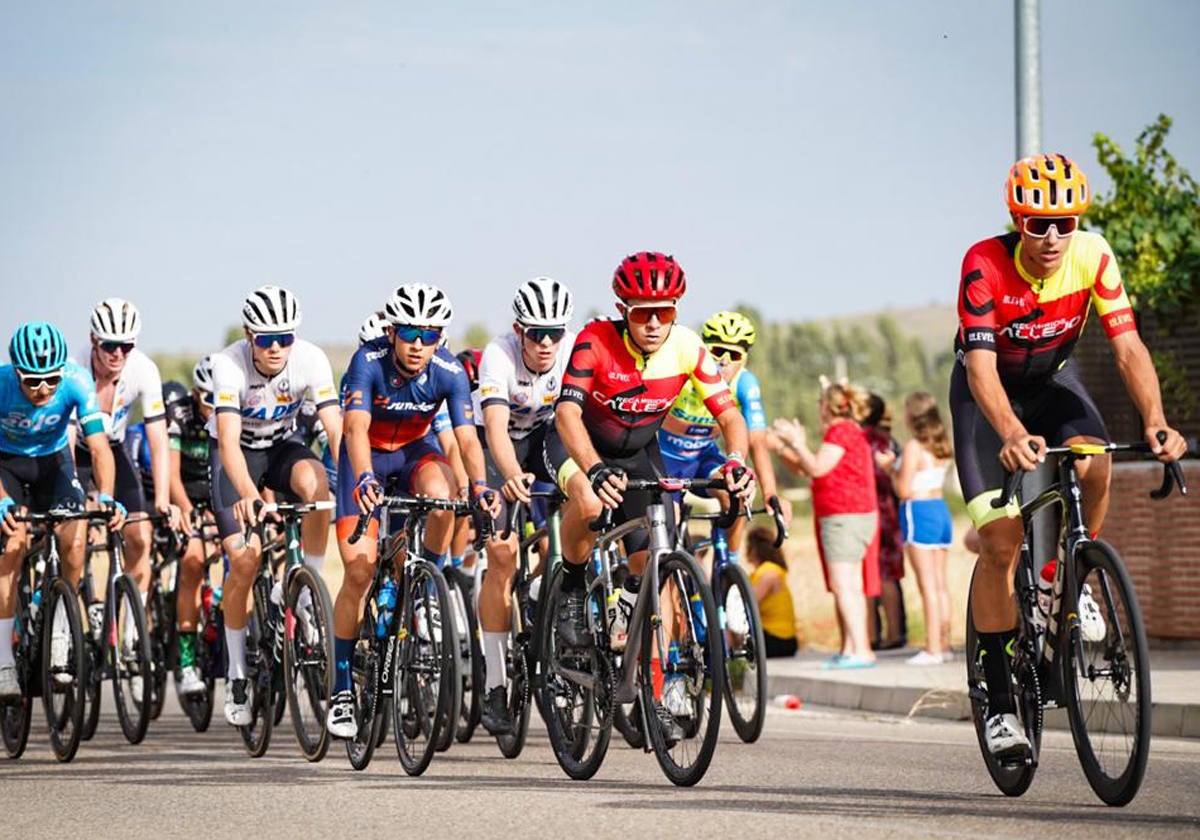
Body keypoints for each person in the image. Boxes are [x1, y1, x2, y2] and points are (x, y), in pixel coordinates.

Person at [952, 153, 1186, 759]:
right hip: (987, 398)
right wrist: (1007, 428)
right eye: (1037, 224)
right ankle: (1002, 704)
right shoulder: (984, 263)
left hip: (1054, 381)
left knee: (1096, 457)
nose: (1053, 237)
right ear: (1016, 220)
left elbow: (1128, 348)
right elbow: (980, 368)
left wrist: (1156, 422)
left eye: (1066, 222)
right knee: (1002, 542)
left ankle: (1074, 567)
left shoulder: (1094, 255)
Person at [546, 251, 755, 733]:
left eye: (665, 311)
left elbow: (729, 416)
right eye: (643, 312)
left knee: (655, 559)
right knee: (590, 499)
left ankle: (643, 682)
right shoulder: (594, 340)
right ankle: (575, 588)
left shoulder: (687, 347)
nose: (655, 322)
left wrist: (736, 462)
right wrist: (593, 468)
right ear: (624, 309)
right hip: (578, 445)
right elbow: (566, 415)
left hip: (638, 451)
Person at [326, 283, 500, 740]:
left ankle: (429, 585)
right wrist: (364, 477)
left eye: (429, 334)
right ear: (391, 331)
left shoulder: (448, 371)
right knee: (360, 574)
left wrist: (480, 485)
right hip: (364, 461)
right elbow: (356, 428)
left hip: (411, 454)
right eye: (409, 333)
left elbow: (466, 439)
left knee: (443, 494)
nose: (419, 344)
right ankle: (342, 688)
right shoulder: (367, 362)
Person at [208, 285, 343, 727]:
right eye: (266, 339)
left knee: (319, 486)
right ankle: (237, 674)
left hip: (282, 447)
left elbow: (335, 430)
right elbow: (227, 442)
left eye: (285, 338)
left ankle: (307, 589)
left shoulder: (310, 358)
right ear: (249, 336)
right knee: (244, 561)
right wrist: (248, 493)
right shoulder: (227, 365)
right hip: (236, 456)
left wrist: (358, 481)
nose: (277, 348)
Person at [0, 323, 125, 696]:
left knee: (75, 537)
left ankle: (60, 627)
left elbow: (99, 447)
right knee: (14, 544)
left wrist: (105, 495)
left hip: (53, 463)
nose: (43, 390)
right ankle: (4, 660)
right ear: (17, 373)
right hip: (6, 464)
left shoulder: (77, 381)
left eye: (51, 380)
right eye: (33, 381)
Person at [475, 277, 576, 735]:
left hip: (545, 439)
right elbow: (495, 426)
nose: (547, 343)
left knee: (581, 502)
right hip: (501, 446)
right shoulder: (498, 355)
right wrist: (510, 474)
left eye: (555, 332)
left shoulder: (570, 350)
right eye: (537, 333)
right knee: (501, 556)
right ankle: (495, 684)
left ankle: (546, 592)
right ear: (519, 330)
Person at [658, 310, 792, 553]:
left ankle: (728, 566)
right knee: (670, 521)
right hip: (666, 457)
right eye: (717, 351)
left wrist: (771, 493)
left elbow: (757, 443)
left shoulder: (745, 382)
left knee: (737, 494)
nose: (725, 361)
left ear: (744, 359)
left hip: (704, 456)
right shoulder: (685, 372)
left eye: (735, 354)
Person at [76, 299, 181, 605]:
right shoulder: (75, 368)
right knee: (75, 535)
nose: (118, 354)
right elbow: (66, 441)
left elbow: (158, 438)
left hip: (115, 448)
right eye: (110, 346)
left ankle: (130, 633)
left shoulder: (144, 370)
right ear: (93, 340)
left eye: (126, 345)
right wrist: (83, 498)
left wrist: (162, 498)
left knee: (139, 537)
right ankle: (68, 613)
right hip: (76, 452)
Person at [772, 380, 878, 669]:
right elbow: (812, 467)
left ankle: (860, 651)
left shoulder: (840, 431)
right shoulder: (850, 430)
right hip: (855, 515)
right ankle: (852, 647)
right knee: (851, 586)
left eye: (820, 403)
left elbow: (817, 468)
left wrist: (795, 442)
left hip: (844, 516)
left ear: (826, 407)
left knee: (845, 587)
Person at [893, 392, 954, 665]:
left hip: (918, 512)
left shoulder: (914, 448)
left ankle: (931, 648)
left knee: (927, 585)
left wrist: (888, 469)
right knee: (941, 585)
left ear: (911, 416)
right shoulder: (940, 445)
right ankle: (944, 643)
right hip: (940, 510)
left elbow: (903, 489)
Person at [862, 394, 906, 650]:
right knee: (889, 574)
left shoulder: (861, 439)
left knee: (869, 574)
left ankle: (870, 635)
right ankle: (895, 632)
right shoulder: (888, 441)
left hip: (868, 508)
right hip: (889, 508)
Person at [744, 526, 799, 658]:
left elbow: (746, 605)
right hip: (782, 639)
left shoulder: (768, 573)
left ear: (754, 550)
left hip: (778, 640)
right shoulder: (768, 571)